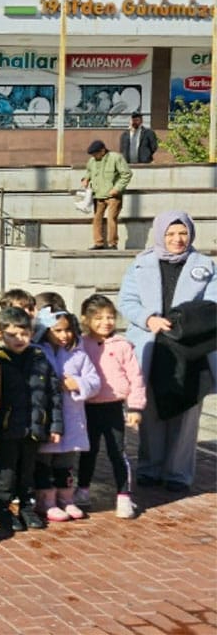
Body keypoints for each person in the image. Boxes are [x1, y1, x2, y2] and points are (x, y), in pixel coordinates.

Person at [118, 210, 217, 493]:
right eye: (171, 234)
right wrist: (149, 319)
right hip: (153, 347)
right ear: (160, 235)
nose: (177, 239)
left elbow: (213, 302)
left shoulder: (205, 265)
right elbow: (127, 300)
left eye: (182, 233)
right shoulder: (141, 264)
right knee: (151, 413)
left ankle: (178, 473)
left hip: (192, 349)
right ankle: (150, 467)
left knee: (187, 416)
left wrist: (186, 321)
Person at [0, 307, 63, 532]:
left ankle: (26, 506)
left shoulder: (40, 358)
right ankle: (3, 508)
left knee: (27, 471)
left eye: (24, 333)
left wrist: (55, 425)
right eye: (13, 335)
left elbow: (53, 394)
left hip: (33, 427)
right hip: (7, 428)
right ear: (0, 335)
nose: (20, 339)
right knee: (6, 471)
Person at [75, 295, 146, 519]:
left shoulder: (123, 345)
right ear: (85, 319)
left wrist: (135, 407)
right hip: (87, 407)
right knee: (88, 451)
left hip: (114, 407)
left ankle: (124, 495)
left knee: (117, 452)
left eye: (110, 317)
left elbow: (136, 378)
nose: (105, 322)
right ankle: (82, 490)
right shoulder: (80, 344)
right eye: (98, 318)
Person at [33, 307, 99, 522]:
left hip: (71, 418)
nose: (64, 335)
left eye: (68, 330)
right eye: (57, 330)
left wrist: (77, 383)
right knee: (44, 460)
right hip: (47, 417)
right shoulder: (37, 351)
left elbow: (94, 381)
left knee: (66, 461)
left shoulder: (78, 353)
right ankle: (46, 499)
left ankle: (66, 497)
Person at [80, 139, 132, 251]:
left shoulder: (116, 158)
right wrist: (86, 179)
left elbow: (126, 174)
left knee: (111, 219)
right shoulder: (92, 161)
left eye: (96, 153)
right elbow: (88, 172)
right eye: (92, 154)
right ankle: (98, 243)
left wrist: (117, 188)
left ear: (103, 150)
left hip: (113, 195)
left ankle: (112, 243)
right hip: (98, 195)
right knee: (97, 219)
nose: (94, 156)